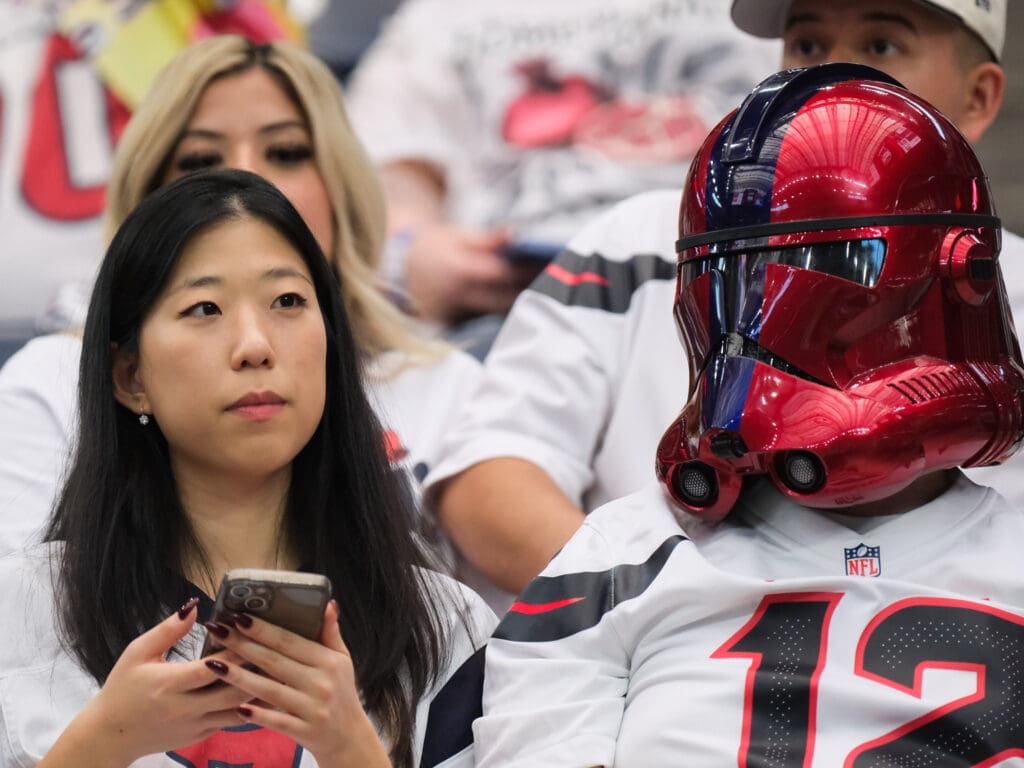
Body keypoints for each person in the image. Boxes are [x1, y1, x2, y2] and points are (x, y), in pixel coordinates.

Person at [473, 64, 1024, 766]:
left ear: (955, 275)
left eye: (830, 261)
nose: (755, 326)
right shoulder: (617, 553)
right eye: (725, 275)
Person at [424, 0, 1024, 598]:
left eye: (882, 46)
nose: (835, 75)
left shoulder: (1012, 279)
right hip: (658, 670)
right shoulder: (638, 238)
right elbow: (489, 478)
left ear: (978, 98)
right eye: (808, 45)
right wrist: (654, 615)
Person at [0, 169, 494, 767]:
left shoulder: (445, 627)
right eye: (204, 308)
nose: (254, 345)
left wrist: (350, 748)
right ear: (130, 378)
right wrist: (99, 744)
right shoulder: (22, 612)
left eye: (287, 301)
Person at [0, 37, 482, 582]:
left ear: (341, 184)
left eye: (286, 152)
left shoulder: (452, 387)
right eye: (202, 160)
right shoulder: (47, 385)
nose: (249, 179)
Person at [344, 0, 780, 353]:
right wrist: (415, 253)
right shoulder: (436, 19)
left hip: (739, 288)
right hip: (517, 305)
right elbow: (380, 193)